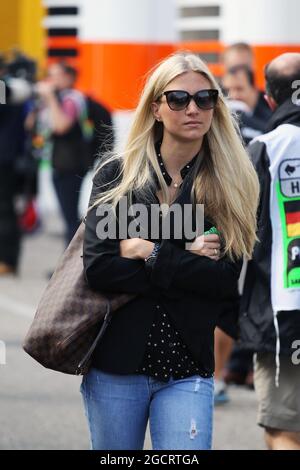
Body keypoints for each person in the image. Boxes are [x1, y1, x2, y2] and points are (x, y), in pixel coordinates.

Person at [81, 52, 259, 450]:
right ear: (157, 108)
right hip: (115, 364)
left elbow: (222, 282)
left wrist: (150, 251)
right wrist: (186, 256)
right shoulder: (117, 175)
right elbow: (100, 268)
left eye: (205, 98)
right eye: (179, 99)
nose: (193, 108)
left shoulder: (229, 184)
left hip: (188, 367)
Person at [239, 52, 300, 450]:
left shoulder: (264, 148)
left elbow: (235, 232)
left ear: (270, 99)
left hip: (285, 313)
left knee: (283, 431)